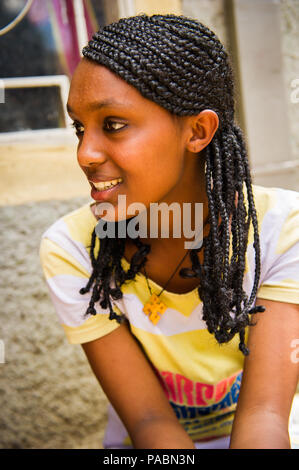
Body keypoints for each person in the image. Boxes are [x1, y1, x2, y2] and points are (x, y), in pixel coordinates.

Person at [39, 14, 299, 449]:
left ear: (197, 131)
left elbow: (265, 414)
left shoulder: (280, 230)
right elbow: (147, 423)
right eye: (79, 128)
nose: (85, 153)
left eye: (114, 125)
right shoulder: (73, 250)